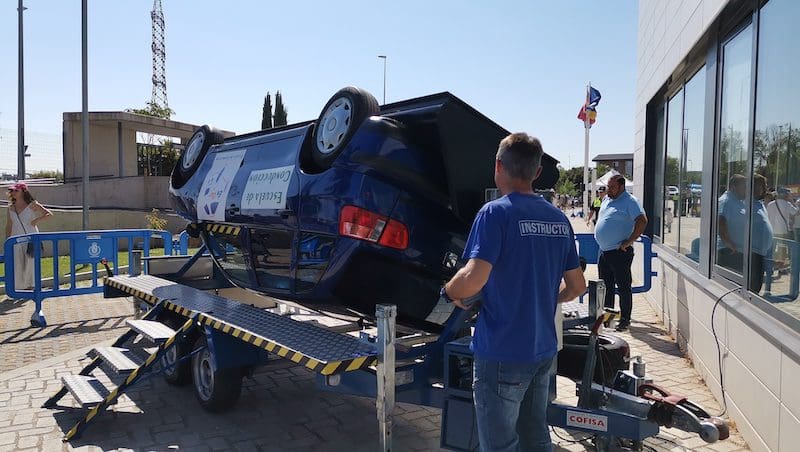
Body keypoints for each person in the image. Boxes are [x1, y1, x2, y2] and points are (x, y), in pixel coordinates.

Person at [441, 133, 586, 452]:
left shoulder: (495, 213)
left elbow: (473, 279)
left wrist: (450, 290)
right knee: (536, 437)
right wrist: (547, 298)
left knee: (499, 444)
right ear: (537, 172)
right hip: (543, 351)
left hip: (502, 353)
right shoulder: (558, 219)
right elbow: (578, 286)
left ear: (498, 166)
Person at [594, 174, 648, 332]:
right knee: (606, 286)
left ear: (621, 186)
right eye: (608, 187)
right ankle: (608, 319)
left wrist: (629, 241)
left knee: (623, 287)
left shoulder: (630, 201)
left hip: (620, 251)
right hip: (604, 251)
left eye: (612, 187)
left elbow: (642, 220)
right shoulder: (606, 199)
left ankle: (625, 319)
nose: (609, 190)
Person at [5, 182, 53, 294]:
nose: (13, 193)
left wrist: (36, 220)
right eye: (12, 191)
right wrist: (7, 241)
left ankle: (32, 286)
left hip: (31, 237)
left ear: (23, 191)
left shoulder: (32, 204)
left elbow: (48, 214)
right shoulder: (11, 207)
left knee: (31, 262)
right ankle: (20, 288)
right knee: (17, 262)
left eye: (16, 190)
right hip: (16, 238)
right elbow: (9, 225)